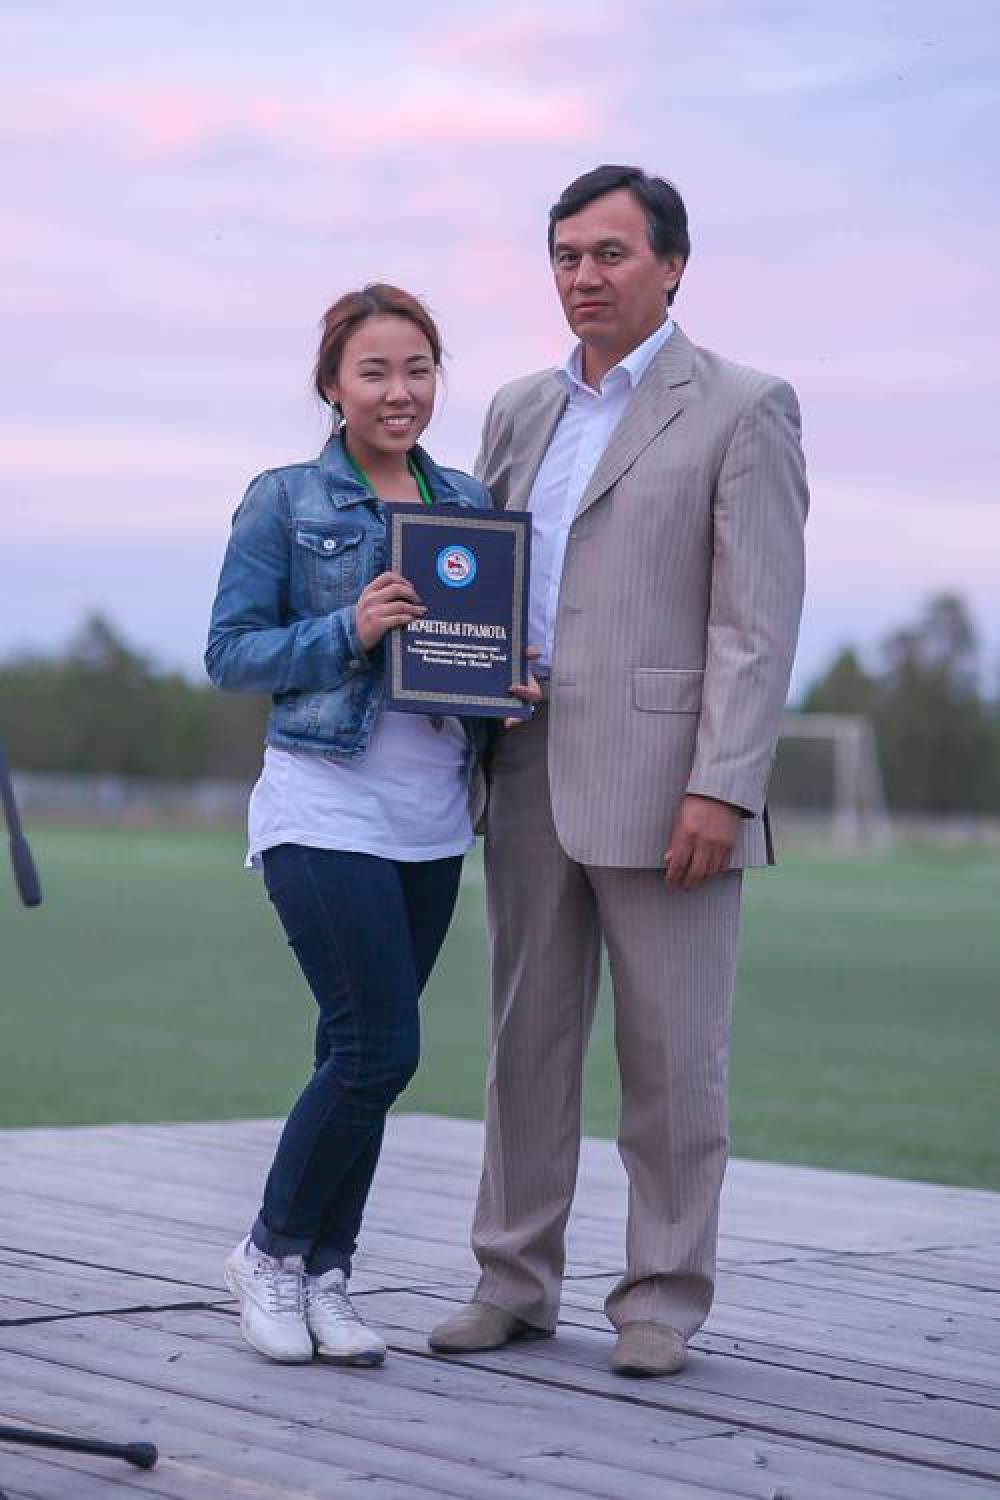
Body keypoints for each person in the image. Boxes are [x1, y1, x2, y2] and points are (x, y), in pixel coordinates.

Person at [428, 166, 809, 1378]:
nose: (582, 276)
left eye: (609, 253)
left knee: (672, 1059)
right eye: (564, 256)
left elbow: (757, 619)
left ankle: (659, 1299)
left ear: (672, 265)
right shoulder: (516, 409)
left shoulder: (744, 406)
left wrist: (723, 785)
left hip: (670, 785)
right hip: (525, 766)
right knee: (523, 1046)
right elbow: (481, 578)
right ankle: (511, 1280)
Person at [206, 284, 528, 1367]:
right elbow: (230, 653)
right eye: (375, 371)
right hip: (321, 801)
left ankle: (325, 1273)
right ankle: (266, 1252)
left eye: (419, 369)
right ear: (333, 386)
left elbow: (476, 653)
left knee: (354, 1055)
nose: (401, 391)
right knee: (380, 1046)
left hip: (430, 821)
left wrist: (506, 685)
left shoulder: (468, 501)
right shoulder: (286, 499)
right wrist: (347, 627)